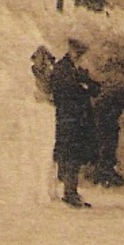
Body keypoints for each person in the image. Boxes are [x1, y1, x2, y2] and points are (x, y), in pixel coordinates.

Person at [49, 38, 100, 208]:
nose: (80, 55)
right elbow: (67, 93)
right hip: (68, 119)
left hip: (78, 120)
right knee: (69, 157)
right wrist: (83, 88)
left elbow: (94, 88)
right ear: (71, 50)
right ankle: (69, 193)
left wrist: (86, 85)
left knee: (75, 157)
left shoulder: (75, 69)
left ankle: (72, 191)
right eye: (78, 52)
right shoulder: (63, 68)